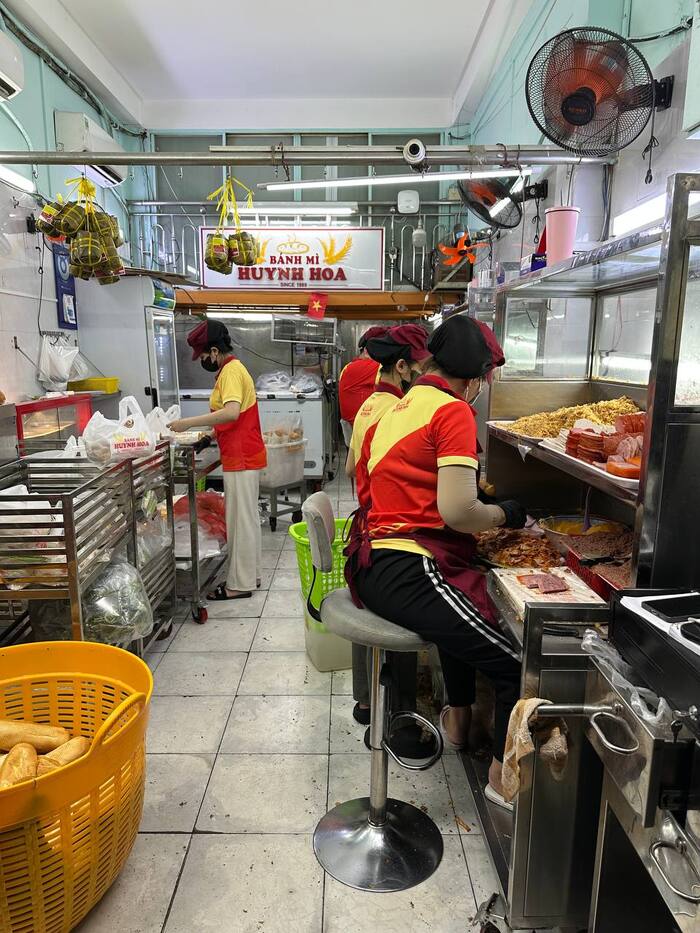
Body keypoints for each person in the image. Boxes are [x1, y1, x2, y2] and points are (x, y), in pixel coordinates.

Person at [347, 314, 526, 807]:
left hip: (374, 560)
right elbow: (459, 512)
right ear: (475, 378)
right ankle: (502, 783)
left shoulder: (398, 406)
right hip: (409, 566)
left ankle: (459, 724)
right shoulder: (453, 412)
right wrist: (505, 515)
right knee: (517, 663)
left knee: (461, 625)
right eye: (485, 379)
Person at [345, 324, 431, 739]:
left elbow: (350, 468)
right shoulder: (397, 409)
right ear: (401, 367)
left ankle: (366, 701)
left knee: (369, 606)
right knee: (404, 600)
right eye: (423, 367)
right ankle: (402, 715)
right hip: (386, 526)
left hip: (366, 524)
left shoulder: (369, 404)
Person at [168, 319, 266, 601]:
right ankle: (250, 576)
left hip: (242, 456)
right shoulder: (232, 370)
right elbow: (233, 416)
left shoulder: (231, 372)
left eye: (203, 356)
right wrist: (209, 436)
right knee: (246, 519)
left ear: (214, 351)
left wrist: (188, 423)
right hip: (242, 454)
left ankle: (240, 585)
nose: (203, 361)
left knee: (240, 522)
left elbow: (232, 412)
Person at [337, 326, 388, 426]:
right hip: (362, 427)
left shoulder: (349, 366)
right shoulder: (363, 367)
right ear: (367, 351)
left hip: (358, 425)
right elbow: (396, 368)